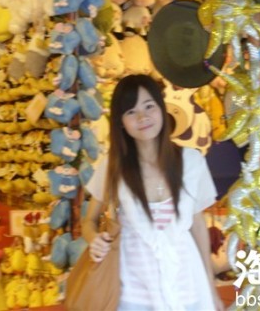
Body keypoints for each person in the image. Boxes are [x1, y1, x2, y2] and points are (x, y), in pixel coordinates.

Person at [82, 74, 225, 311]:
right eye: (131, 111)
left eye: (149, 106)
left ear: (161, 108)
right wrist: (93, 239)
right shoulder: (112, 166)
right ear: (120, 122)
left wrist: (210, 288)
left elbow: (198, 227)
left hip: (186, 284)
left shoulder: (191, 162)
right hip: (133, 289)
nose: (143, 117)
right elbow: (89, 221)